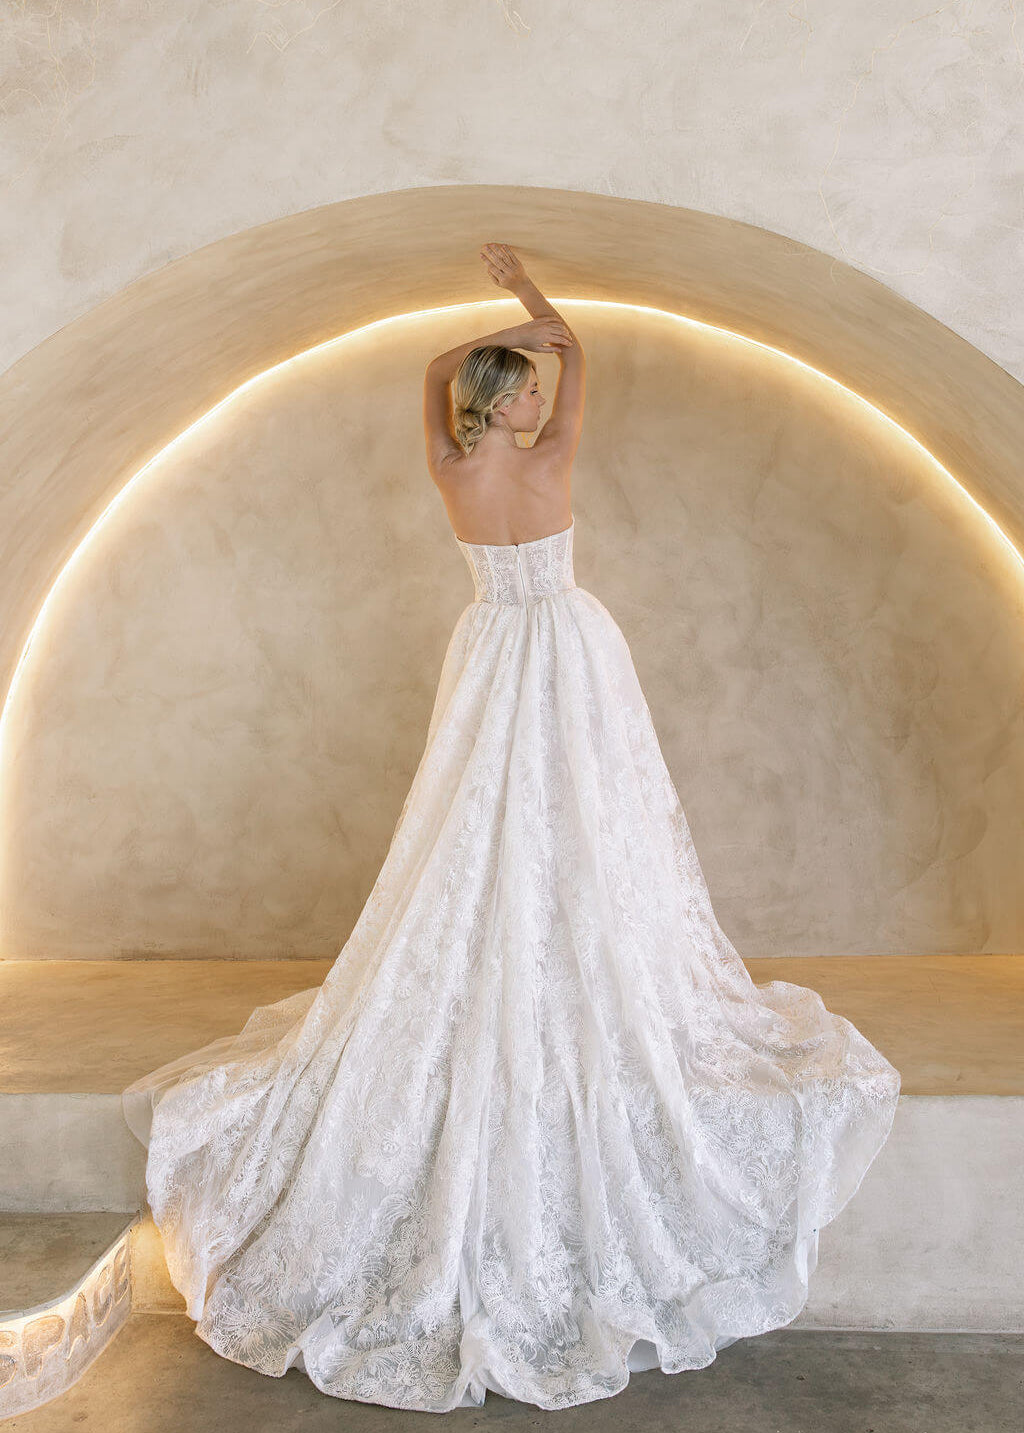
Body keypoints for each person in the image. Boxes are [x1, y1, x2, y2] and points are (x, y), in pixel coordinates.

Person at [122, 244, 900, 1413]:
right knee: (583, 813)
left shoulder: (450, 460)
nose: (539, 399)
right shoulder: (549, 454)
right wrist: (532, 306)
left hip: (490, 647)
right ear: (514, 400)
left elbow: (439, 373)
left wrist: (480, 353)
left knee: (483, 818)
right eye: (524, 390)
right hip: (570, 648)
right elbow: (580, 353)